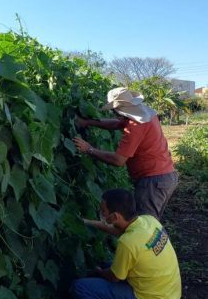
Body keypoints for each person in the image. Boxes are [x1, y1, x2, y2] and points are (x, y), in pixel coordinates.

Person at [72, 189, 181, 299]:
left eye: (103, 211)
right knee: (106, 265)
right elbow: (116, 230)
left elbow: (114, 277)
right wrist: (87, 222)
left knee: (80, 288)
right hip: (168, 296)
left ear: (115, 216)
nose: (101, 213)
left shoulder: (127, 243)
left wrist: (100, 272)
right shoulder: (148, 220)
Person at [72, 87, 178, 220]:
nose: (113, 113)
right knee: (151, 223)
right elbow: (117, 124)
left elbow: (118, 160)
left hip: (153, 181)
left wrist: (89, 149)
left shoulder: (135, 126)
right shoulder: (144, 113)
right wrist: (88, 122)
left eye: (114, 110)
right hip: (165, 176)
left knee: (145, 226)